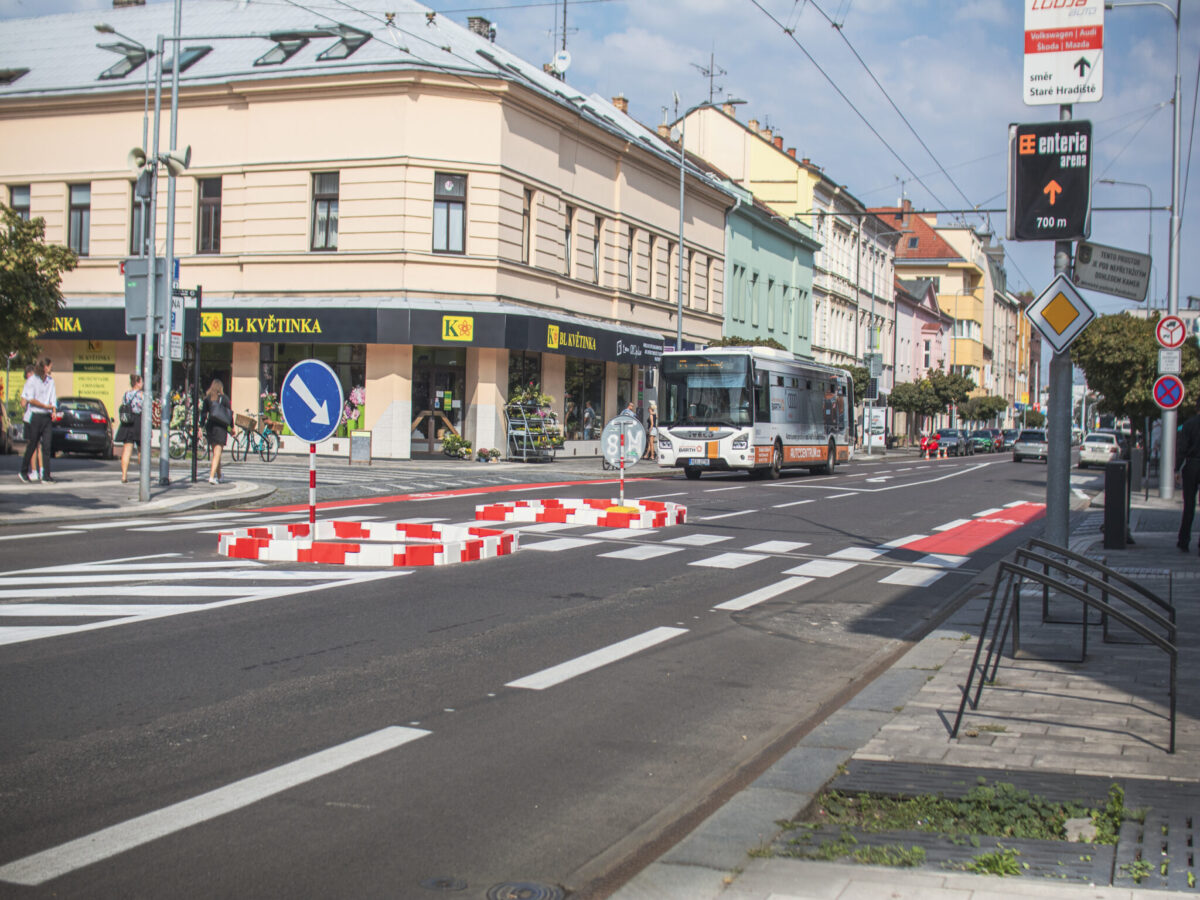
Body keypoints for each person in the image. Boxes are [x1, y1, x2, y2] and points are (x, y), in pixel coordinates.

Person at [19, 357, 55, 483]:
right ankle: (24, 471)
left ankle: (46, 475)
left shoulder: (50, 381)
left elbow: (53, 397)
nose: (51, 368)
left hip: (47, 416)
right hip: (35, 415)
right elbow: (29, 399)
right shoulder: (32, 381)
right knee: (33, 444)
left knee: (47, 446)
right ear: (45, 367)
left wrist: (53, 410)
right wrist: (45, 406)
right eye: (50, 366)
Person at [1175, 396, 1200, 553]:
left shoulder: (1189, 424)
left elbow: (1181, 449)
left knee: (1189, 505)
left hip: (1192, 465)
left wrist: (1176, 469)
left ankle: (1184, 541)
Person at [202, 378, 230, 485]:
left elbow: (203, 414)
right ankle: (212, 476)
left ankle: (219, 475)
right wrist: (231, 428)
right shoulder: (225, 399)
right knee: (217, 454)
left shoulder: (208, 398)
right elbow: (229, 414)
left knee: (216, 454)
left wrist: (201, 427)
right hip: (221, 428)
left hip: (211, 427)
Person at [117, 373, 144, 484]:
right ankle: (143, 474)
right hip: (138, 422)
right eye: (141, 381)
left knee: (127, 450)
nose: (142, 384)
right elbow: (145, 410)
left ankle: (124, 476)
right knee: (141, 451)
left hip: (127, 423)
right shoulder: (142, 395)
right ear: (137, 383)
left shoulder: (126, 394)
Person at [18, 364, 42, 482]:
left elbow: (23, 403)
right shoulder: (42, 382)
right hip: (41, 417)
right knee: (39, 445)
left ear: (29, 373)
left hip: (30, 417)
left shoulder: (29, 383)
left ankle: (34, 471)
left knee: (31, 445)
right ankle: (42, 470)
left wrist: (27, 400)